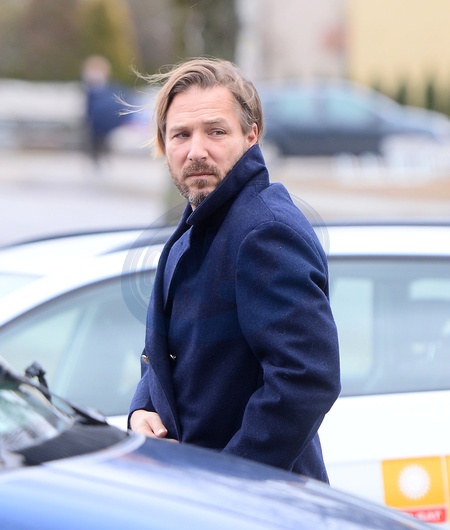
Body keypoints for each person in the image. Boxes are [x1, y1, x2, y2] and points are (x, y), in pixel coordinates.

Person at [129, 57, 341, 482]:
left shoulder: (264, 231)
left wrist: (225, 481)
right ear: (164, 143)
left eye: (216, 131)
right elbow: (168, 351)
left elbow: (306, 379)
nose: (196, 151)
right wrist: (143, 409)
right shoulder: (203, 219)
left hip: (253, 503)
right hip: (195, 491)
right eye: (181, 134)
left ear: (250, 136)